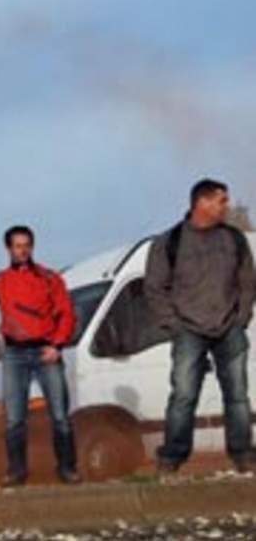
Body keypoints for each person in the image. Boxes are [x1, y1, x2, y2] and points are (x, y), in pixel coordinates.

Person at [145, 178, 256, 476]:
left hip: (229, 329)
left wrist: (242, 318)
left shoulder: (234, 239)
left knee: (237, 395)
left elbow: (247, 282)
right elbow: (154, 288)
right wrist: (175, 325)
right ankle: (171, 458)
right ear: (202, 203)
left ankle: (244, 455)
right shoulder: (169, 241)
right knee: (183, 395)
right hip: (188, 331)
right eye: (222, 200)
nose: (226, 206)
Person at [0, 225, 80, 486]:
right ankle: (16, 472)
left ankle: (67, 468)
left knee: (60, 415)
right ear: (9, 249)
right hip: (14, 354)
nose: (23, 250)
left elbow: (66, 314)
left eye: (27, 245)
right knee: (15, 418)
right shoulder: (0, 281)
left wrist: (58, 346)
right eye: (18, 246)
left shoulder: (50, 279)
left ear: (32, 247)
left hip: (45, 350)